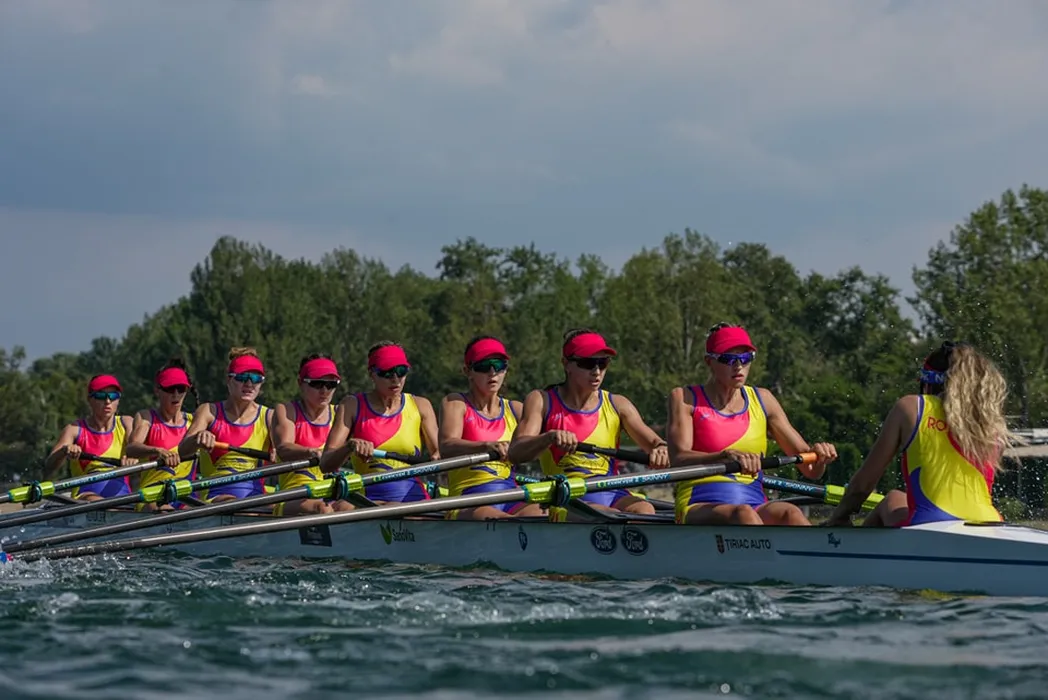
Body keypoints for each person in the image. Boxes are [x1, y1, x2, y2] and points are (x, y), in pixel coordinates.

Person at [667, 323, 837, 526]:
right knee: (743, 514)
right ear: (709, 362)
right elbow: (678, 459)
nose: (738, 366)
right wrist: (724, 456)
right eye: (728, 359)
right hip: (698, 501)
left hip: (754, 502)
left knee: (790, 513)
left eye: (746, 358)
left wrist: (820, 456)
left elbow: (810, 471)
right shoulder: (685, 398)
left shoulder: (763, 400)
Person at [826, 341, 1011, 528]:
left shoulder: (911, 408)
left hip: (930, 522)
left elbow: (862, 486)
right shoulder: (991, 425)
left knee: (892, 498)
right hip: (990, 523)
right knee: (898, 498)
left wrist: (840, 517)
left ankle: (853, 545)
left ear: (927, 383)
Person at [508, 329, 669, 521]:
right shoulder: (542, 400)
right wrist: (548, 437)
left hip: (613, 492)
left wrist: (661, 449)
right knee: (606, 515)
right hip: (568, 497)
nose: (597, 371)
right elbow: (516, 452)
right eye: (587, 363)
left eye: (603, 363)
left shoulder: (618, 404)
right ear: (566, 364)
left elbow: (655, 442)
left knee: (645, 509)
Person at [439, 336, 545, 520]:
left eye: (499, 365)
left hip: (511, 496)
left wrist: (552, 438)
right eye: (483, 366)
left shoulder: (516, 409)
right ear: (467, 371)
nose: (492, 372)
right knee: (503, 522)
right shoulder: (455, 402)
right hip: (468, 499)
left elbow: (538, 451)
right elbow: (447, 446)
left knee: (545, 514)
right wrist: (486, 446)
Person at [320, 341, 440, 503]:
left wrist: (440, 455)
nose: (396, 379)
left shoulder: (421, 405)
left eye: (401, 371)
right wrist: (349, 446)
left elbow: (439, 453)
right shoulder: (351, 405)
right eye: (387, 373)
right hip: (369, 500)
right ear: (372, 374)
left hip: (414, 498)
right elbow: (326, 464)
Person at [180, 347, 274, 503]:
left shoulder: (269, 416)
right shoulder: (209, 411)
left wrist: (279, 451)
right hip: (215, 496)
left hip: (256, 497)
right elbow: (182, 450)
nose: (249, 383)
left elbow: (284, 450)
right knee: (237, 503)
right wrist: (197, 438)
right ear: (229, 380)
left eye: (256, 378)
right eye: (242, 377)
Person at [272, 354, 354, 516]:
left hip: (333, 492)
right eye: (317, 384)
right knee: (322, 508)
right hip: (294, 494)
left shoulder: (340, 413)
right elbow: (283, 448)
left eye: (331, 385)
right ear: (300, 383)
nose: (324, 391)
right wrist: (311, 451)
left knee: (352, 508)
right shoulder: (287, 410)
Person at [44, 374, 136, 501]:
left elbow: (136, 446)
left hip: (121, 494)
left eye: (113, 396)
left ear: (118, 399)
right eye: (101, 396)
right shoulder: (74, 429)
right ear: (90, 399)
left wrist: (133, 456)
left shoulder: (127, 423)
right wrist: (64, 451)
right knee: (103, 504)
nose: (108, 401)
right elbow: (49, 465)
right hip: (85, 494)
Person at [125, 359, 198, 511]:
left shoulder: (194, 422)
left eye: (181, 389)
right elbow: (131, 448)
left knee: (195, 513)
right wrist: (158, 451)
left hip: (186, 494)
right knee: (166, 512)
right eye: (170, 389)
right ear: (157, 390)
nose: (176, 394)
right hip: (152, 494)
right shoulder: (147, 417)